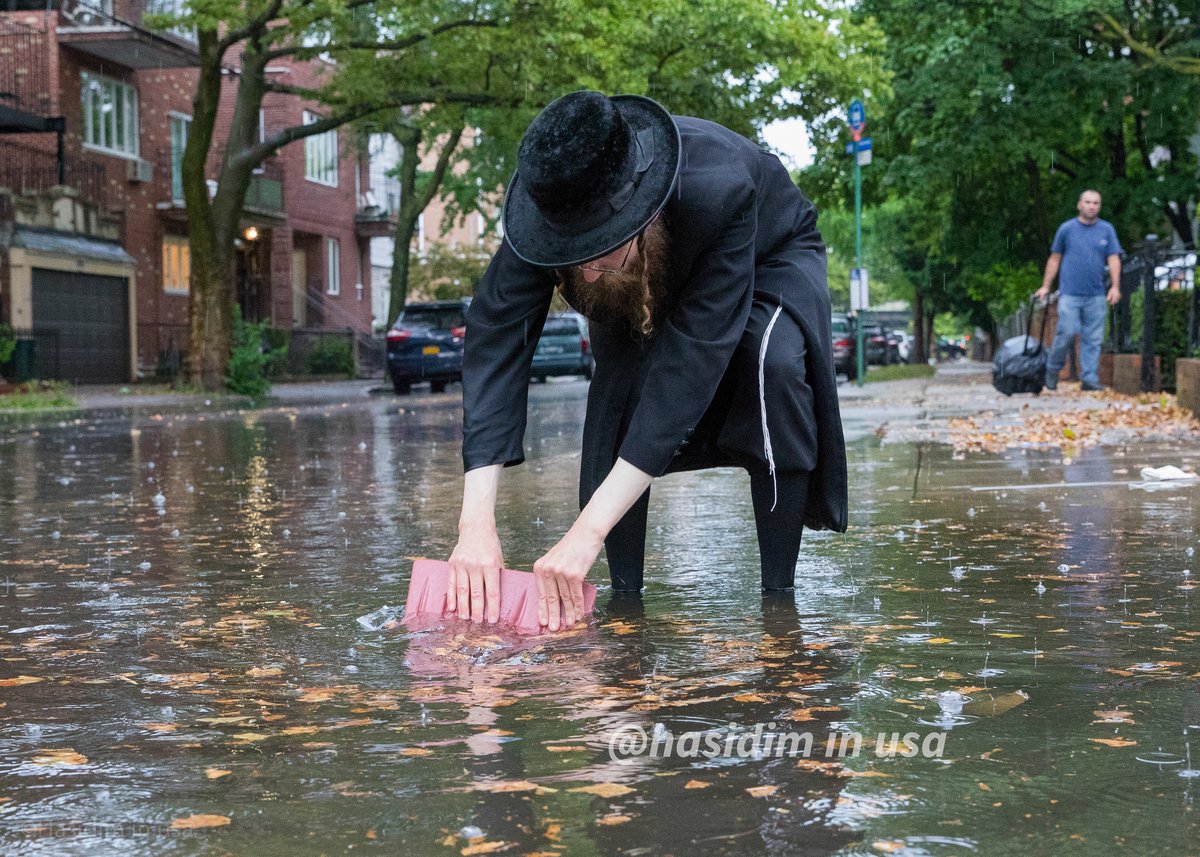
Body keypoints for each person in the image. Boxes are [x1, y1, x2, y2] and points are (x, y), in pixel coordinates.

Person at [447, 91, 848, 630]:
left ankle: (779, 596)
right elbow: (495, 338)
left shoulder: (719, 187)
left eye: (597, 251)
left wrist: (582, 533)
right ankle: (624, 598)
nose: (584, 276)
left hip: (769, 257)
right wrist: (474, 524)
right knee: (618, 397)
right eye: (571, 258)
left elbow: (689, 368)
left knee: (768, 364)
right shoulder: (549, 206)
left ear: (639, 215)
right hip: (644, 260)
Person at [1035, 189, 1123, 391]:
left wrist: (1116, 287)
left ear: (1099, 206)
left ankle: (1089, 378)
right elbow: (1055, 258)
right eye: (1088, 202)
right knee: (1066, 332)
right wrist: (1046, 286)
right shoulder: (1066, 229)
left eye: (1096, 203)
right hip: (1070, 293)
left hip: (1096, 294)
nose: (1092, 206)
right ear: (1079, 205)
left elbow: (1113, 259)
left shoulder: (1107, 230)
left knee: (1093, 338)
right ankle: (1052, 368)